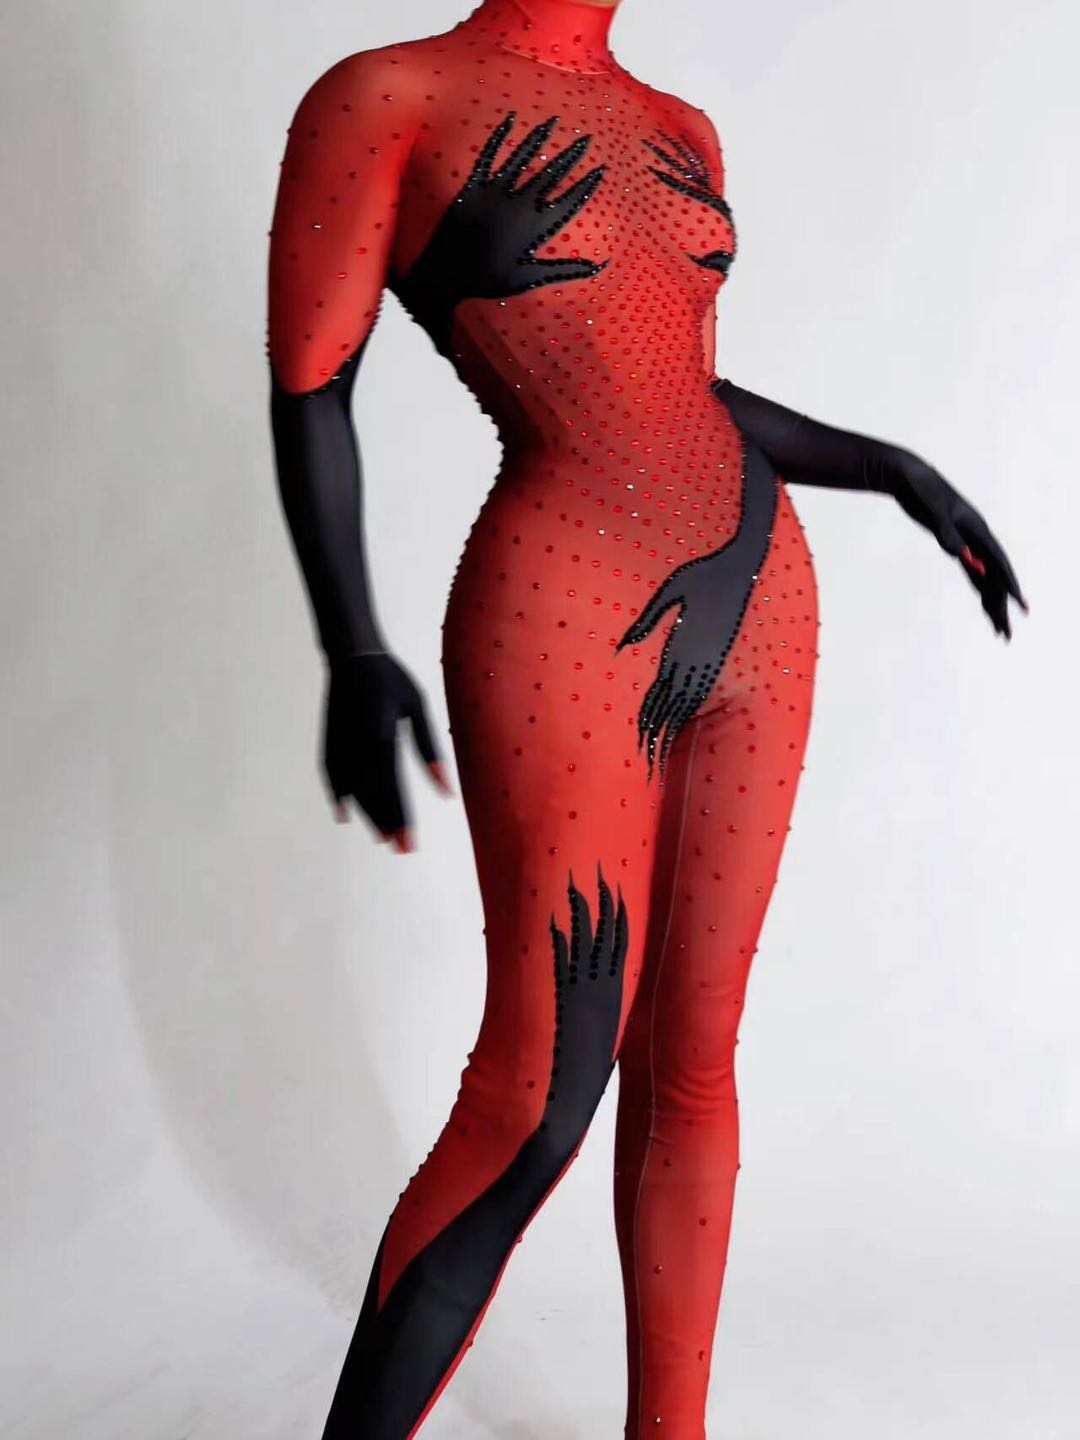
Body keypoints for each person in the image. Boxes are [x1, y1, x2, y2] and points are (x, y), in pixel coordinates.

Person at [265, 1, 1026, 1433]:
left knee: (694, 1065)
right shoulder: (387, 98)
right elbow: (313, 384)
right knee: (538, 1095)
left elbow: (681, 390)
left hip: (763, 597)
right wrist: (352, 646)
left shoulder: (681, 129)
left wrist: (895, 469)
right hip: (570, 606)